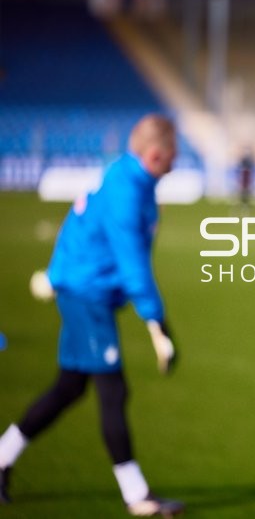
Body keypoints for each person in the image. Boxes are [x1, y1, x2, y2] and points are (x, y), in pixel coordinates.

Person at [0, 114, 184, 517]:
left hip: (83, 287)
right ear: (156, 155)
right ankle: (136, 495)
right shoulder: (127, 190)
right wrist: (157, 321)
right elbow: (133, 262)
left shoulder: (129, 178)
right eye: (173, 153)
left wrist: (56, 274)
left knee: (69, 387)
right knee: (113, 391)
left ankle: (1, 457)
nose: (177, 159)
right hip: (87, 296)